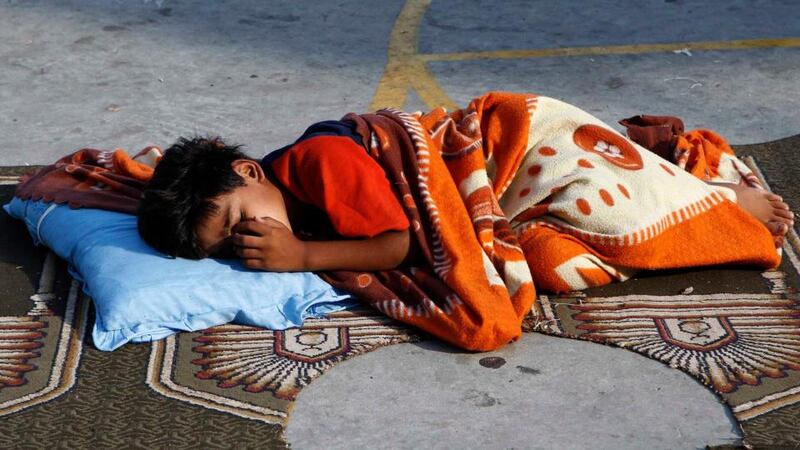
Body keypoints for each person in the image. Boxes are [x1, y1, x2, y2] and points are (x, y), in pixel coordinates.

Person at [137, 116, 793, 283]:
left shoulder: (317, 163)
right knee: (555, 257)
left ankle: (716, 199)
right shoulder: (279, 194)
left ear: (251, 172)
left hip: (509, 148)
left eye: (234, 220)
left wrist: (303, 255)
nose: (248, 240)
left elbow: (399, 245)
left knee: (617, 211)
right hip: (495, 189)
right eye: (227, 244)